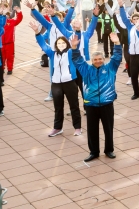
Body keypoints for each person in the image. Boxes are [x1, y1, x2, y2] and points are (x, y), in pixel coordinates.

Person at [71, 32, 123, 161]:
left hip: (107, 104)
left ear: (104, 59)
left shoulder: (110, 68)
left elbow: (117, 57)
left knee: (108, 129)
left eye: (100, 59)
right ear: (92, 61)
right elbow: (77, 59)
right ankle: (94, 152)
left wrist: (117, 43)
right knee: (92, 130)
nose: (98, 61)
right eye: (95, 59)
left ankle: (109, 150)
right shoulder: (86, 69)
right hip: (91, 104)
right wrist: (74, 47)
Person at [33, 29, 82, 137]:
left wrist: (76, 38)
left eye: (63, 43)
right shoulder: (52, 54)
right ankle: (57, 128)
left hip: (69, 82)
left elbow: (76, 48)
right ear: (56, 45)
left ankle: (77, 127)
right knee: (58, 107)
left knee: (74, 106)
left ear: (67, 44)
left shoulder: (70, 53)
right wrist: (37, 33)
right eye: (59, 43)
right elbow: (43, 44)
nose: (61, 45)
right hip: (56, 84)